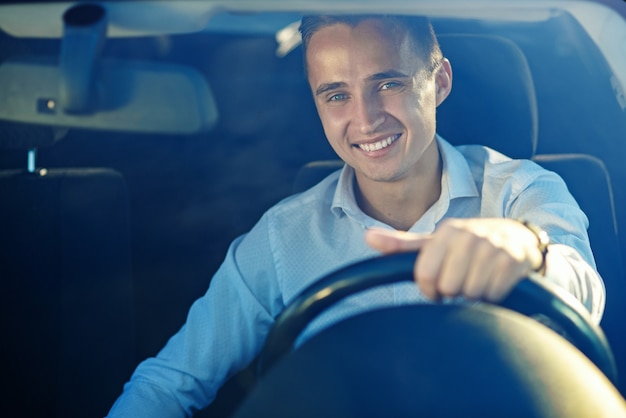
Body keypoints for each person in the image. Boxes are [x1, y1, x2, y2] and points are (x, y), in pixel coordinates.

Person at [107, 14, 605, 417]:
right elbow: (171, 382)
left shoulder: (521, 191)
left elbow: (584, 291)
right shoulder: (284, 235)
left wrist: (525, 251)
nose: (365, 120)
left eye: (387, 83)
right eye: (338, 94)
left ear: (440, 82)